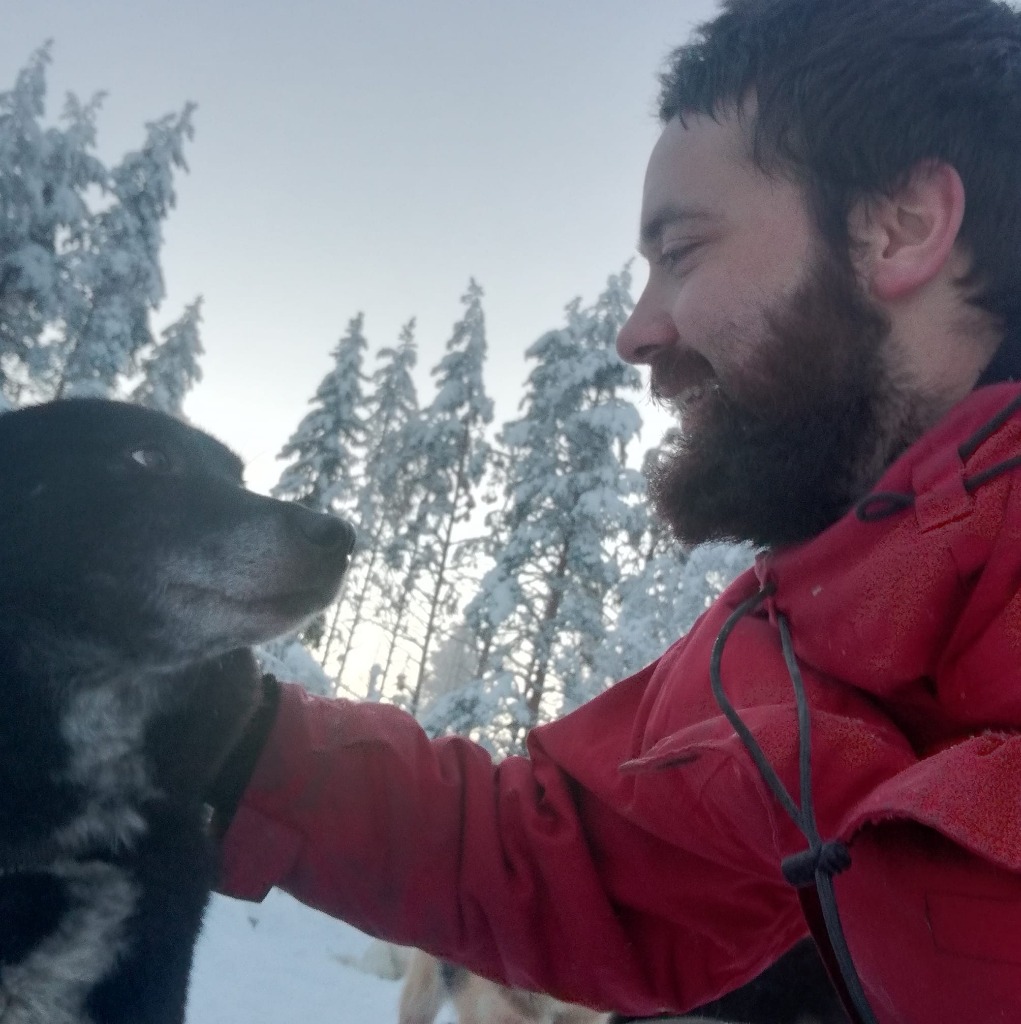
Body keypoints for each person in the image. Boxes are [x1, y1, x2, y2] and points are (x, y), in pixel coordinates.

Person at [207, 2, 1021, 1022]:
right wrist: (218, 740)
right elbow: (564, 863)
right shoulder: (800, 649)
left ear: (898, 229)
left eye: (680, 249)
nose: (636, 332)